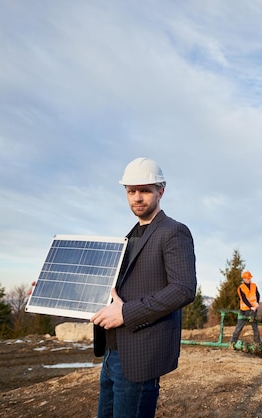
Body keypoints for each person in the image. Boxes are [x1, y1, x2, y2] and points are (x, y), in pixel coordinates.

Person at [90, 157, 197, 418]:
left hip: (140, 356)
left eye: (145, 190)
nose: (137, 197)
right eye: (131, 191)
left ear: (161, 191)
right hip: (112, 352)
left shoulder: (173, 231)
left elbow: (183, 289)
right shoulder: (129, 237)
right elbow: (116, 288)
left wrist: (126, 314)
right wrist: (56, 288)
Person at [230, 270, 262, 347]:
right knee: (239, 327)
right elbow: (244, 299)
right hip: (244, 310)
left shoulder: (254, 285)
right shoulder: (241, 288)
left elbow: (257, 295)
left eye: (250, 278)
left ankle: (257, 343)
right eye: (247, 278)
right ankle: (233, 342)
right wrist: (250, 306)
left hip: (253, 310)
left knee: (255, 327)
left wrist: (256, 303)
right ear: (244, 279)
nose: (249, 279)